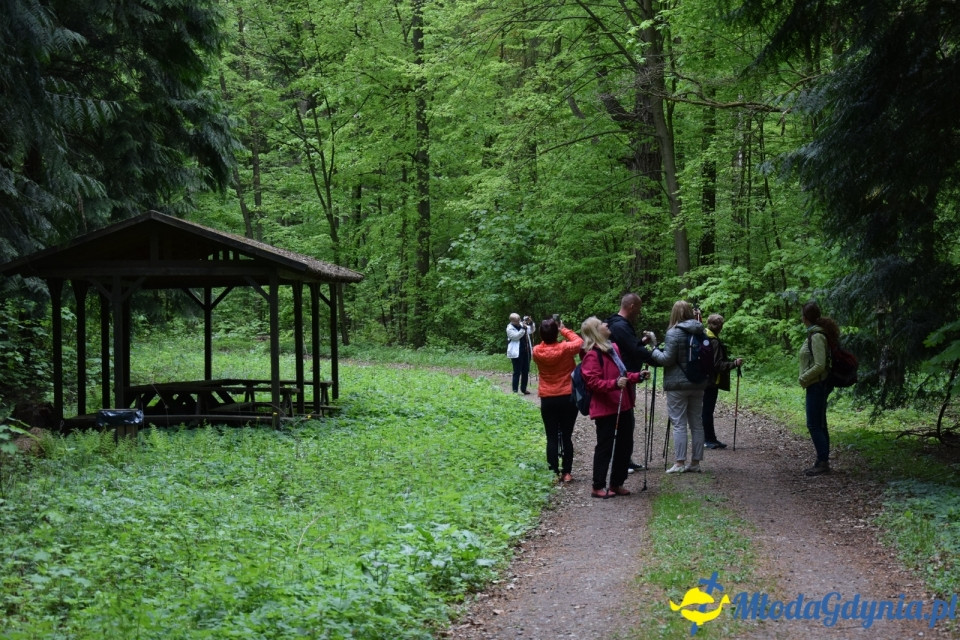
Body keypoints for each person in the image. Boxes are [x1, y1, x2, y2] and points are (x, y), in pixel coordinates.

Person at [579, 316, 649, 499]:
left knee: (625, 445)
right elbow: (592, 383)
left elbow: (622, 374)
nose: (606, 324)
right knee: (605, 447)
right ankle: (598, 486)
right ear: (596, 331)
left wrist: (637, 376)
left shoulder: (613, 348)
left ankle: (617, 483)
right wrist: (614, 384)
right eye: (602, 324)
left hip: (623, 404)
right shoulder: (592, 355)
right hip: (606, 408)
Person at [649, 301, 710, 473]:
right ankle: (696, 463)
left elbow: (667, 359)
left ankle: (680, 463)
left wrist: (653, 348)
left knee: (679, 423)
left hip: (678, 385)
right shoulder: (701, 331)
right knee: (697, 423)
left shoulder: (673, 332)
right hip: (698, 383)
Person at [606, 293, 658, 472]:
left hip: (626, 376)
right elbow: (634, 350)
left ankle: (625, 458)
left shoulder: (617, 324)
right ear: (632, 306)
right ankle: (620, 461)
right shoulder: (620, 326)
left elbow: (630, 346)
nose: (639, 312)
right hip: (623, 378)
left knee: (626, 418)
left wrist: (642, 342)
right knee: (623, 419)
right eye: (639, 308)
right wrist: (657, 357)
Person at [532, 316, 583, 482]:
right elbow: (580, 342)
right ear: (556, 333)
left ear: (541, 334)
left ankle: (553, 473)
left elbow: (544, 345)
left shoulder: (536, 351)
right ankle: (567, 472)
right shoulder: (566, 348)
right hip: (567, 396)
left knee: (551, 437)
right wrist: (564, 329)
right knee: (567, 436)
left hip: (548, 398)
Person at [799, 301, 840, 476]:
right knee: (819, 424)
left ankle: (822, 462)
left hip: (817, 384)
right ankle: (822, 460)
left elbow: (820, 365)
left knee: (814, 424)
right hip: (817, 384)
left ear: (805, 317)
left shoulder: (816, 336)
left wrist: (804, 377)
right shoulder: (815, 333)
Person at [702, 314, 744, 449]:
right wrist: (734, 364)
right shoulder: (714, 341)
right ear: (720, 327)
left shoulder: (703, 336)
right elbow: (717, 364)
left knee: (706, 411)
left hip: (701, 379)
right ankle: (708, 440)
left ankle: (710, 439)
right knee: (707, 411)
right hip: (711, 381)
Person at [506, 312, 534, 394]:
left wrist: (531, 323)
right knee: (517, 372)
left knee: (526, 371)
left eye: (519, 320)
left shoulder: (522, 325)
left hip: (526, 351)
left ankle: (523, 389)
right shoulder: (509, 328)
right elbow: (516, 337)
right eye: (517, 321)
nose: (519, 322)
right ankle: (515, 391)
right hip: (516, 353)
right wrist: (523, 329)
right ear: (512, 321)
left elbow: (531, 330)